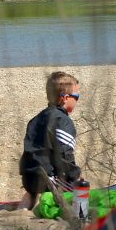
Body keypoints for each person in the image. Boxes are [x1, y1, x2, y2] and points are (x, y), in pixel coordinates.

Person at [19, 71, 82, 210]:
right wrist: (75, 176)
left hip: (29, 177)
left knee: (34, 192)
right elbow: (65, 155)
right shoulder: (63, 121)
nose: (78, 100)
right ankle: (44, 202)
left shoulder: (36, 119)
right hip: (48, 180)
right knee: (81, 189)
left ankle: (28, 202)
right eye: (77, 97)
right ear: (65, 98)